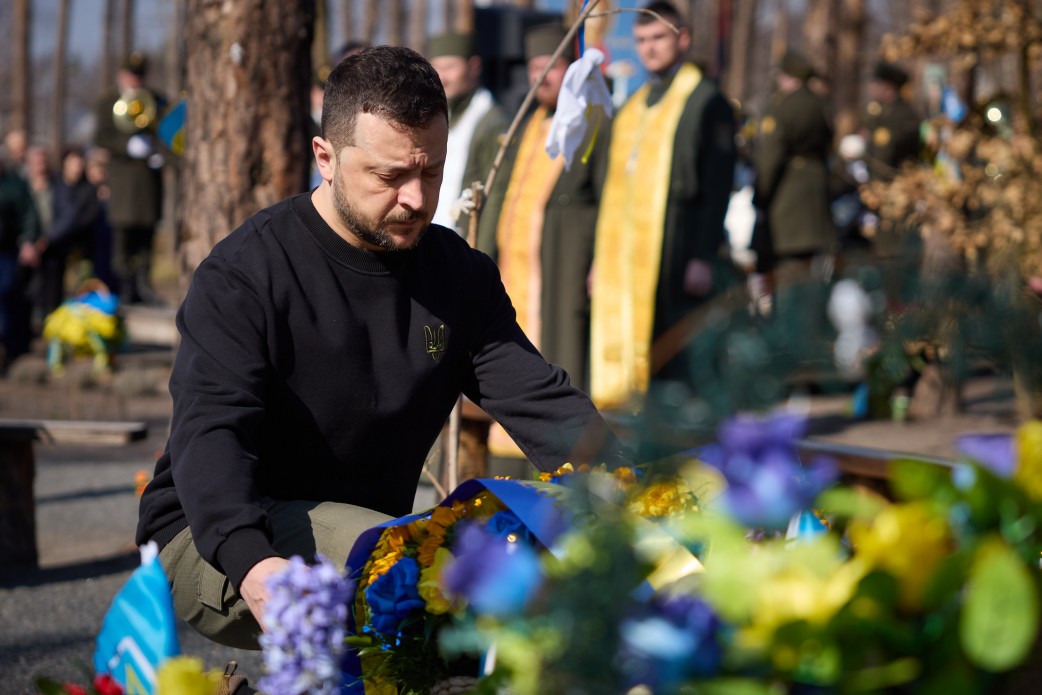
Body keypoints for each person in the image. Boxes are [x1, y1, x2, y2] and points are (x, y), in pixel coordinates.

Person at [136, 46, 627, 650]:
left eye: (432, 172)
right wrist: (254, 566)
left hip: (376, 532)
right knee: (434, 572)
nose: (418, 199)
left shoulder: (457, 276)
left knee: (527, 546)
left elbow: (543, 404)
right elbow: (210, 432)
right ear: (326, 157)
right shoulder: (247, 272)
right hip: (222, 534)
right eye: (390, 176)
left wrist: (637, 496)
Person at [588, 0, 737, 411]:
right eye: (640, 40)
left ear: (682, 38)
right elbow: (612, 190)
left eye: (658, 37)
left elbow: (717, 184)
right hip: (628, 263)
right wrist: (601, 260)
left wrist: (703, 255)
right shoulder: (633, 107)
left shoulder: (707, 102)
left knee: (677, 367)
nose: (648, 48)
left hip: (680, 249)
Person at [475, 23, 609, 462]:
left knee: (557, 367)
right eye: (535, 67)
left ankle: (559, 468)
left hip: (560, 272)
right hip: (517, 275)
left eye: (551, 67)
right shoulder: (530, 123)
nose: (542, 76)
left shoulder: (592, 121)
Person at [752, 50, 837, 293]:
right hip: (816, 201)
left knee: (787, 281)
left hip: (787, 205)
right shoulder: (820, 105)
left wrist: (760, 196)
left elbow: (770, 158)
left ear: (788, 77)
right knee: (810, 280)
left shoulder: (782, 107)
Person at [93, 51, 167, 306]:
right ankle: (123, 288)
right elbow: (101, 137)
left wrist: (159, 152)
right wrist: (127, 146)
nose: (136, 80)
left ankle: (143, 286)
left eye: (140, 75)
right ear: (122, 75)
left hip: (148, 179)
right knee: (123, 234)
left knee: (146, 234)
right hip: (123, 179)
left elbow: (167, 130)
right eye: (131, 75)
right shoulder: (109, 100)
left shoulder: (156, 99)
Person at [427, 31, 509, 235]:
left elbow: (495, 198)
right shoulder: (442, 115)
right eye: (437, 68)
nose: (442, 77)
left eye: (450, 67)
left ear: (474, 67)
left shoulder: (492, 123)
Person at [36, 146, 102, 316]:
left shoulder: (88, 190)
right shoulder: (55, 184)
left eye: (79, 164)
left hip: (80, 249)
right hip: (54, 249)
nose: (76, 168)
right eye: (73, 163)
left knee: (79, 292)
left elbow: (86, 219)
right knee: (51, 292)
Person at [0, 152, 42, 368]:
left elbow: (29, 214)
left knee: (6, 294)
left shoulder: (14, 184)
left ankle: (7, 349)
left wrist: (28, 241)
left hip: (5, 251)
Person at [862, 60, 921, 181]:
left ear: (889, 87)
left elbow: (888, 152)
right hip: (873, 183)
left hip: (895, 184)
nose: (872, 88)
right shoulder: (877, 112)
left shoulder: (905, 115)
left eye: (877, 84)